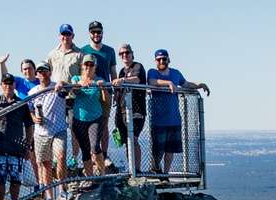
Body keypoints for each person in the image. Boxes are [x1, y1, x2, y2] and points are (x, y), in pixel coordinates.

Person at [146, 49, 209, 175]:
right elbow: (152, 82)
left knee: (170, 149)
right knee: (158, 149)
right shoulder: (152, 72)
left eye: (164, 59)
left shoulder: (175, 73)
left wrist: (200, 85)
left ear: (168, 59)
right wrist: (168, 83)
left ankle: (165, 174)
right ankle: (156, 168)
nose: (162, 61)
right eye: (159, 59)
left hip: (174, 118)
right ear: (155, 61)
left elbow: (186, 84)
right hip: (159, 119)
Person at [28, 63, 69, 200]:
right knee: (44, 164)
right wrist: (34, 118)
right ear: (36, 75)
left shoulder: (56, 87)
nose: (42, 74)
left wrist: (63, 83)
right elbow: (31, 110)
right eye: (39, 71)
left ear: (50, 72)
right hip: (41, 133)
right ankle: (49, 197)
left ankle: (62, 189)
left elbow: (68, 89)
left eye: (45, 71)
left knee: (61, 157)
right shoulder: (32, 92)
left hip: (59, 130)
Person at [68, 55, 111, 176]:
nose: (88, 67)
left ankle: (102, 174)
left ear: (95, 67)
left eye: (91, 65)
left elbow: (106, 101)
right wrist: (80, 85)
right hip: (79, 119)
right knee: (85, 152)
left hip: (95, 119)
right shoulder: (76, 79)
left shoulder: (99, 80)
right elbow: (74, 93)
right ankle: (90, 178)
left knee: (95, 147)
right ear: (82, 66)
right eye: (86, 64)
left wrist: (103, 88)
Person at [112, 44, 149, 175]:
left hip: (137, 110)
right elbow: (118, 90)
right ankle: (131, 168)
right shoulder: (122, 71)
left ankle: (137, 169)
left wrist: (123, 80)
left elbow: (137, 79)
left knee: (133, 138)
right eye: (121, 54)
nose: (124, 55)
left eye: (127, 53)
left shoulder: (138, 67)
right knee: (127, 141)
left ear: (132, 54)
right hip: (122, 111)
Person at [80, 22, 117, 101]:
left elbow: (113, 72)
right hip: (89, 92)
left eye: (98, 32)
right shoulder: (83, 51)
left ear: (102, 33)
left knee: (105, 114)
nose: (96, 34)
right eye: (93, 32)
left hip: (106, 91)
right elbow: (80, 71)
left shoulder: (110, 51)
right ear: (89, 34)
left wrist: (116, 91)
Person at [46, 25, 84, 90]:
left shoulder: (80, 54)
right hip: (56, 92)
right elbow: (46, 72)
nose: (66, 37)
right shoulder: (52, 54)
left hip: (73, 93)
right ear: (59, 36)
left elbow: (84, 75)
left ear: (73, 36)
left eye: (68, 34)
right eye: (63, 34)